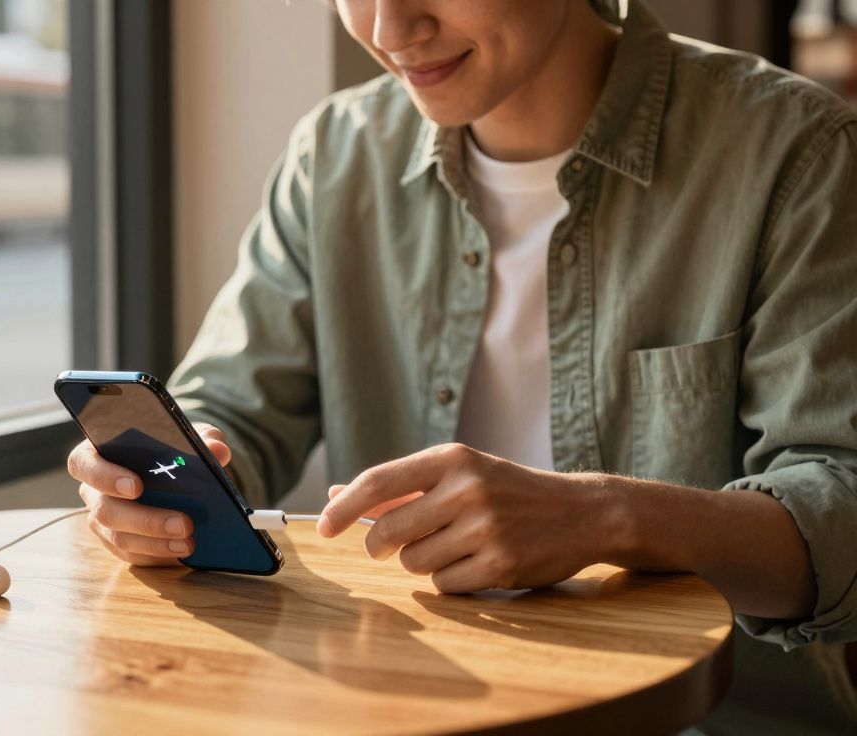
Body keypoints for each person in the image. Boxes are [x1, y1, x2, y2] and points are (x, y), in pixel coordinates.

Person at [66, 0, 857, 731]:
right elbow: (230, 411)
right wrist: (168, 475)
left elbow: (843, 512)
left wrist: (609, 516)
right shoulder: (335, 156)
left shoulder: (794, 154)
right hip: (405, 708)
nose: (388, 27)